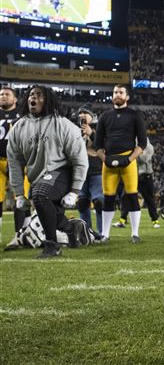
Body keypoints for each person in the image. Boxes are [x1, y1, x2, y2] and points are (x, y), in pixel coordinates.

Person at [7, 85, 88, 258]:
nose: (33, 98)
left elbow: (80, 160)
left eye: (39, 95)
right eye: (30, 95)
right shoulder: (19, 127)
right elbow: (13, 162)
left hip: (63, 172)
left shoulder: (63, 125)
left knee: (40, 195)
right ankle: (71, 228)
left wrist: (74, 191)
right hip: (38, 176)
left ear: (48, 100)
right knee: (47, 206)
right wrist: (19, 194)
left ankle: (52, 245)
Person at [93, 84, 147, 243]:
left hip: (128, 160)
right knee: (108, 198)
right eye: (115, 92)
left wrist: (128, 159)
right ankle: (106, 234)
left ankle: (135, 234)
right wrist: (105, 159)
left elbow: (142, 143)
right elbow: (97, 145)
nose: (117, 94)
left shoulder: (134, 115)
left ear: (127, 97)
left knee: (131, 196)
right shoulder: (104, 116)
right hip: (108, 162)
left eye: (121, 92)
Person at [1, 87, 31, 243]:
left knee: (21, 197)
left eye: (7, 94)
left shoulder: (21, 117)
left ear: (15, 99)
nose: (3, 96)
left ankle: (21, 235)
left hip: (17, 162)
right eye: (1, 94)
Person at [114, 140, 161, 228]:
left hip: (145, 176)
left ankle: (155, 220)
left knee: (149, 199)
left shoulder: (149, 147)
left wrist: (133, 152)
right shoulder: (132, 143)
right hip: (133, 174)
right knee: (125, 196)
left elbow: (144, 159)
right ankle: (122, 220)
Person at [75, 104, 104, 235]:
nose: (81, 115)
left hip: (96, 169)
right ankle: (86, 233)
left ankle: (103, 232)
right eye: (80, 113)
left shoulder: (101, 128)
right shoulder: (74, 130)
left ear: (92, 116)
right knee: (82, 202)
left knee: (99, 202)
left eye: (85, 113)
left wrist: (91, 134)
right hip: (80, 170)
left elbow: (104, 146)